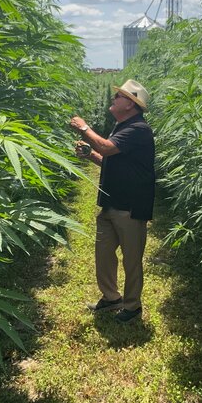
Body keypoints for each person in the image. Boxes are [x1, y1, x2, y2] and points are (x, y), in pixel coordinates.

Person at [69, 79, 155, 324]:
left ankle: (132, 307)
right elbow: (110, 158)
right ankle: (111, 297)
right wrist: (91, 154)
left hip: (130, 206)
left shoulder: (138, 128)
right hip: (110, 203)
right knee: (104, 254)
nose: (113, 99)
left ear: (130, 104)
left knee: (131, 260)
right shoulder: (122, 126)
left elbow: (107, 148)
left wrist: (84, 128)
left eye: (118, 96)